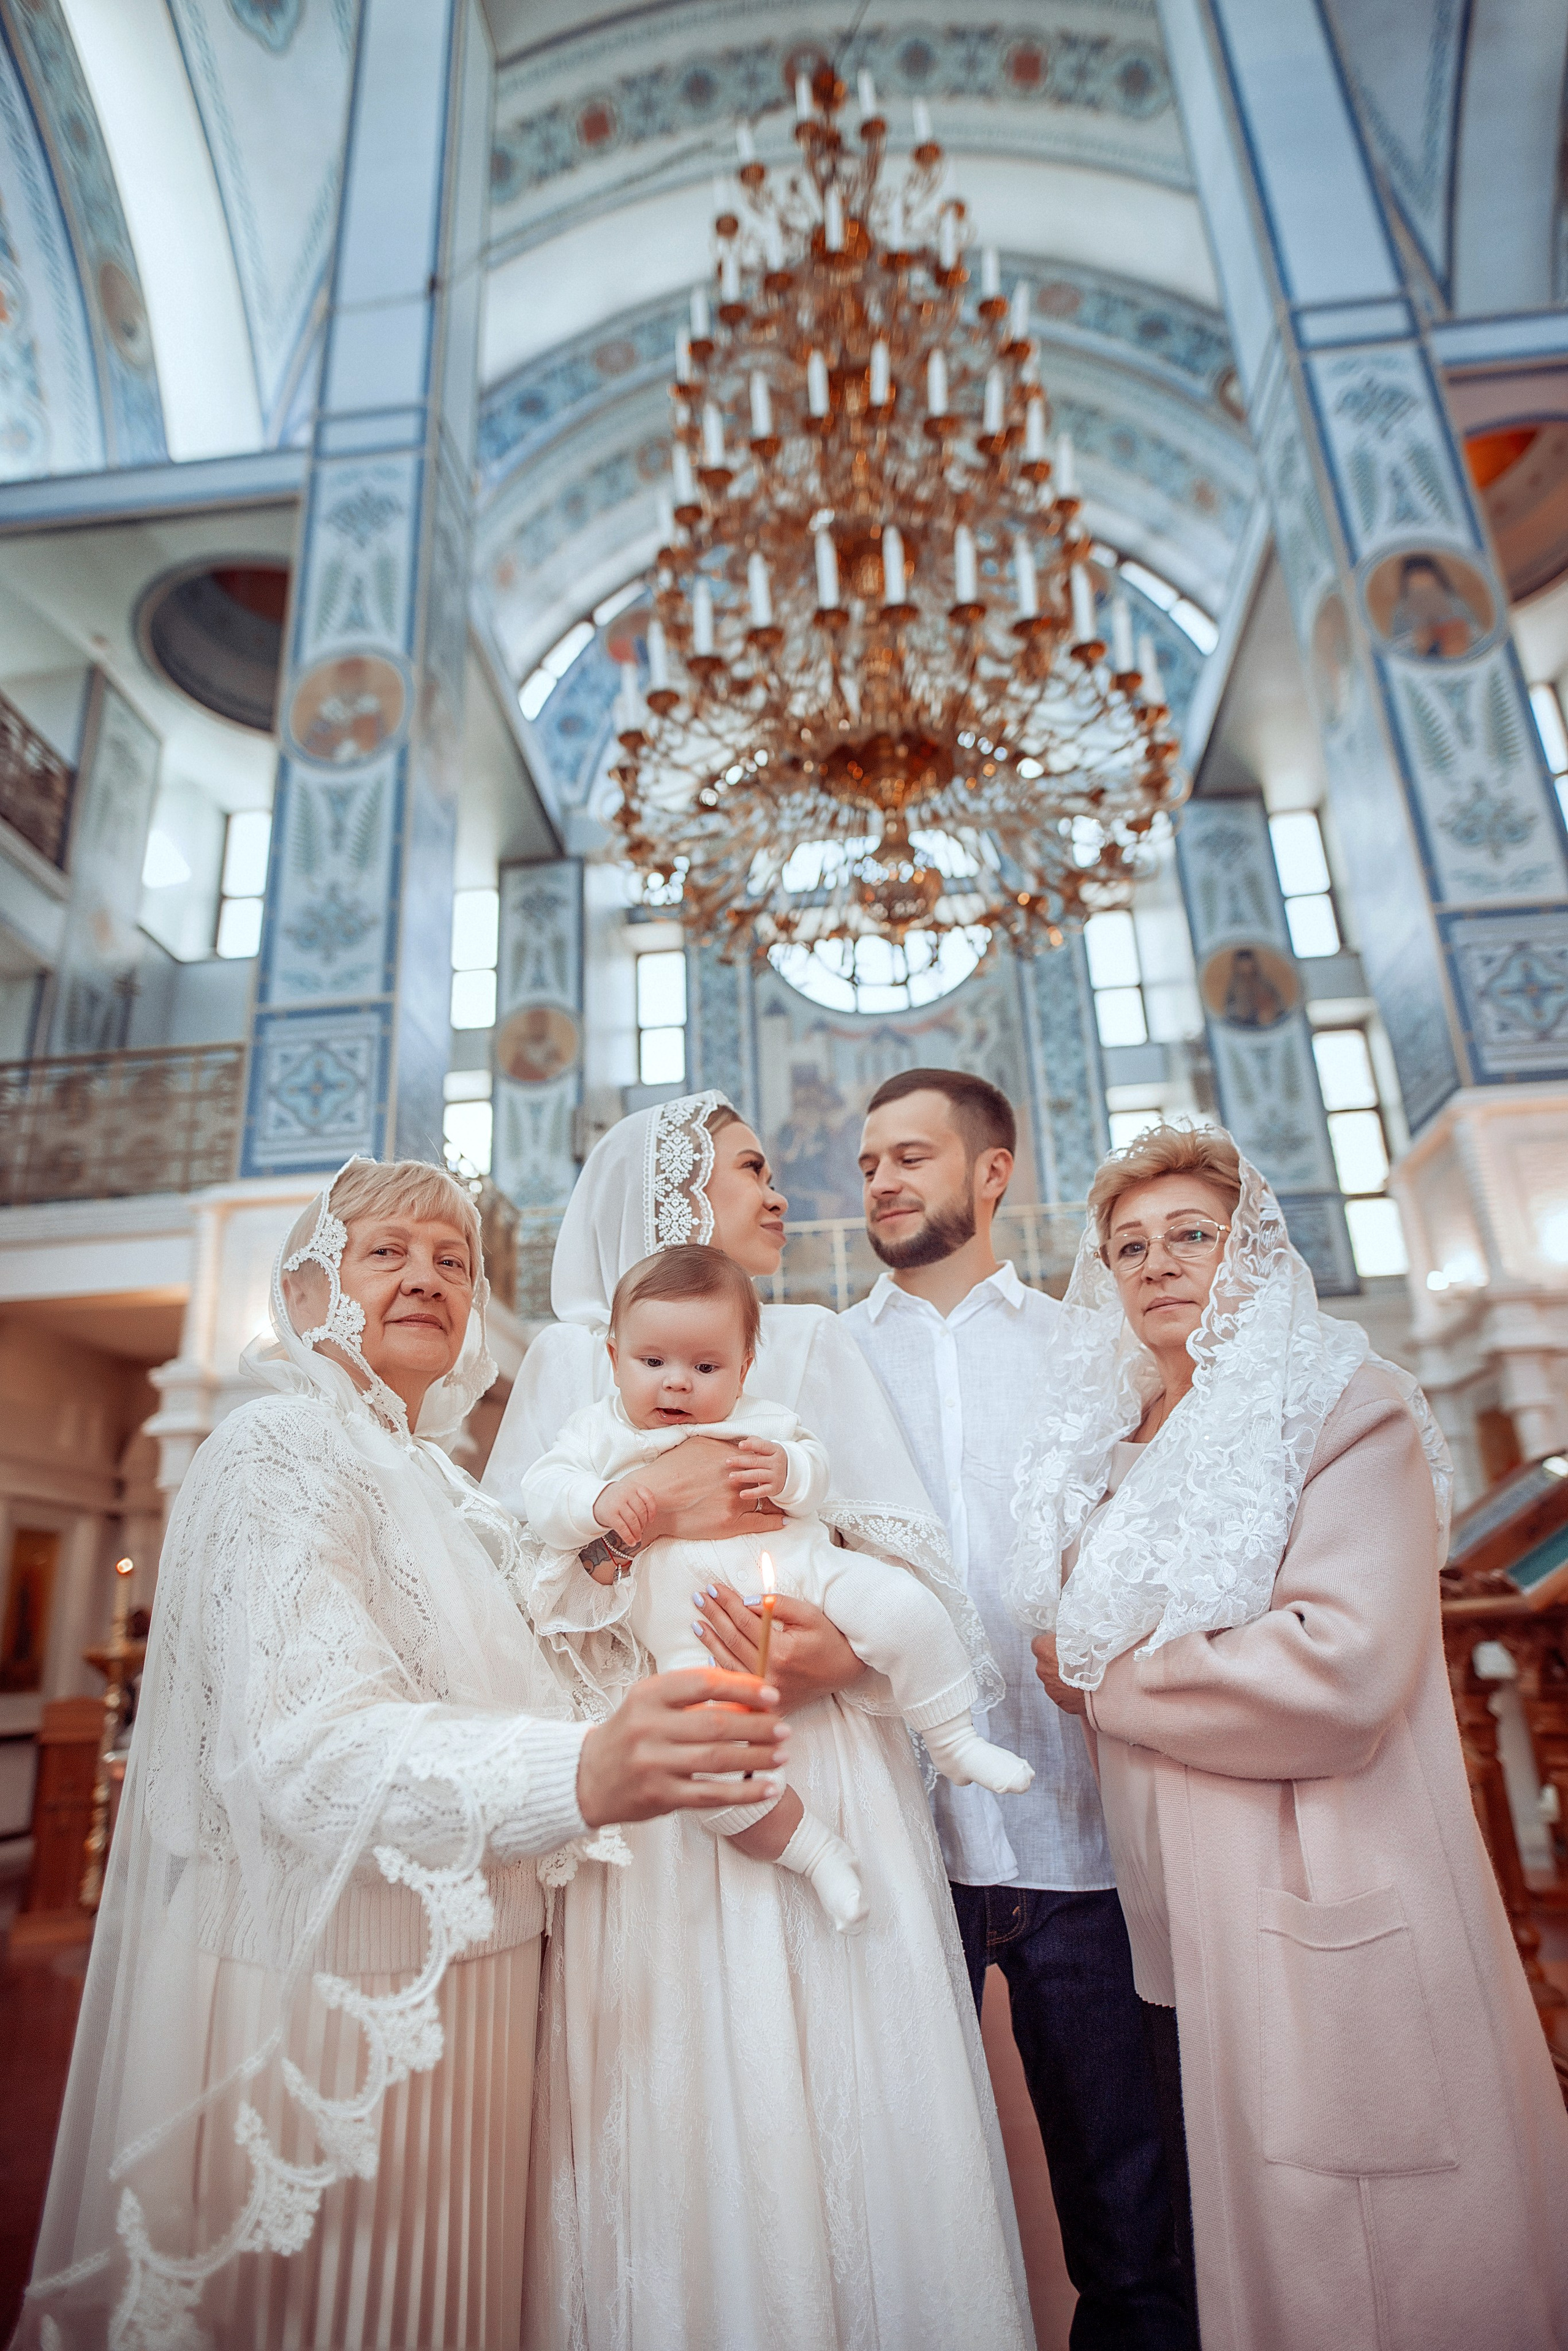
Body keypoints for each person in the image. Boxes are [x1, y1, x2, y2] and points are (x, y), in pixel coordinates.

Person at [19, 1157, 785, 2351]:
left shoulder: (445, 1482)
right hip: (332, 1988)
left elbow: (548, 1655)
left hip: (475, 1982)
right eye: (387, 1251)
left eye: (453, 1260)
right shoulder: (278, 1446)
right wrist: (583, 1772)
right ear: (308, 1284)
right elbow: (301, 1748)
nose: (429, 1275)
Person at [483, 1092, 1035, 2351]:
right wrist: (631, 1528)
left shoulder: (808, 1339)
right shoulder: (570, 1363)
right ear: (673, 1195)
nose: (781, 1191)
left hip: (823, 1750)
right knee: (677, 2083)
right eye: (749, 1168)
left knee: (846, 2057)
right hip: (660, 1768)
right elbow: (516, 1602)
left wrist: (825, 1657)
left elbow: (901, 1555)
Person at [1018, 1123, 1568, 2351]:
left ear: (1253, 1250)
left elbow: (1339, 1665)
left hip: (1314, 1877)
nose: (1157, 1261)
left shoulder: (1344, 1405)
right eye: (1128, 1245)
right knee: (1212, 2248)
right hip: (1161, 1924)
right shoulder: (1109, 1447)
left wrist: (1105, 1686)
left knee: (1364, 2262)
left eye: (1191, 1233)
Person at [842, 1068, 1193, 2351]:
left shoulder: (1088, 1349)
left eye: (911, 1155)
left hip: (1078, 1833)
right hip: (896, 1837)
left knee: (1132, 2218)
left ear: (993, 1172)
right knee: (898, 2206)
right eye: (868, 1161)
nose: (881, 1180)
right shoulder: (822, 1357)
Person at [521, 1241, 1031, 1930]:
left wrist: (790, 1472)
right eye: (652, 1362)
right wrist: (597, 1500)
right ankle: (813, 1852)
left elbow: (816, 1465)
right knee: (703, 1763)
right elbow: (544, 1492)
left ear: (743, 1368)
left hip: (807, 1576)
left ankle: (952, 1736)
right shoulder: (595, 1434)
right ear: (614, 1359)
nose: (677, 1384)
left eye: (705, 1367)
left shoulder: (761, 1420)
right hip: (691, 1632)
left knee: (905, 1606)